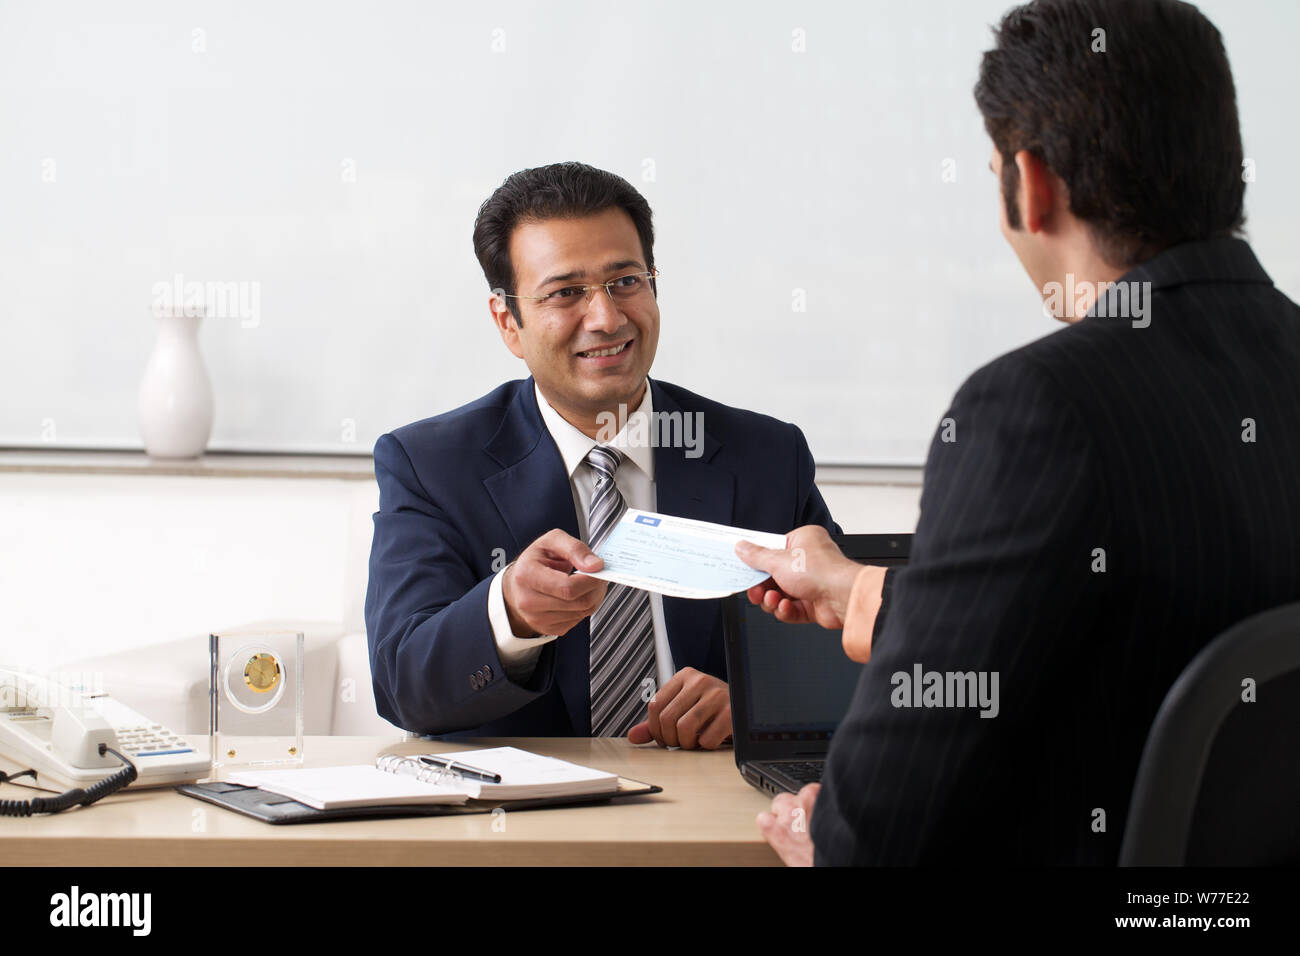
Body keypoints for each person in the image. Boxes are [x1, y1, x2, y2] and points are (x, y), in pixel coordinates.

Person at [739, 0, 1300, 863]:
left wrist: (823, 834)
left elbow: (878, 838)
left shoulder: (1038, 408)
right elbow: (1118, 627)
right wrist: (860, 591)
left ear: (1030, 186)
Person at [365, 161, 838, 747]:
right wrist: (509, 613)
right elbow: (402, 686)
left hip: (716, 809)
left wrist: (756, 701)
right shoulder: (429, 464)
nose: (607, 318)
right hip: (523, 825)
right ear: (508, 322)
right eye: (566, 292)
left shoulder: (766, 455)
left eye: (626, 282)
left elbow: (850, 647)